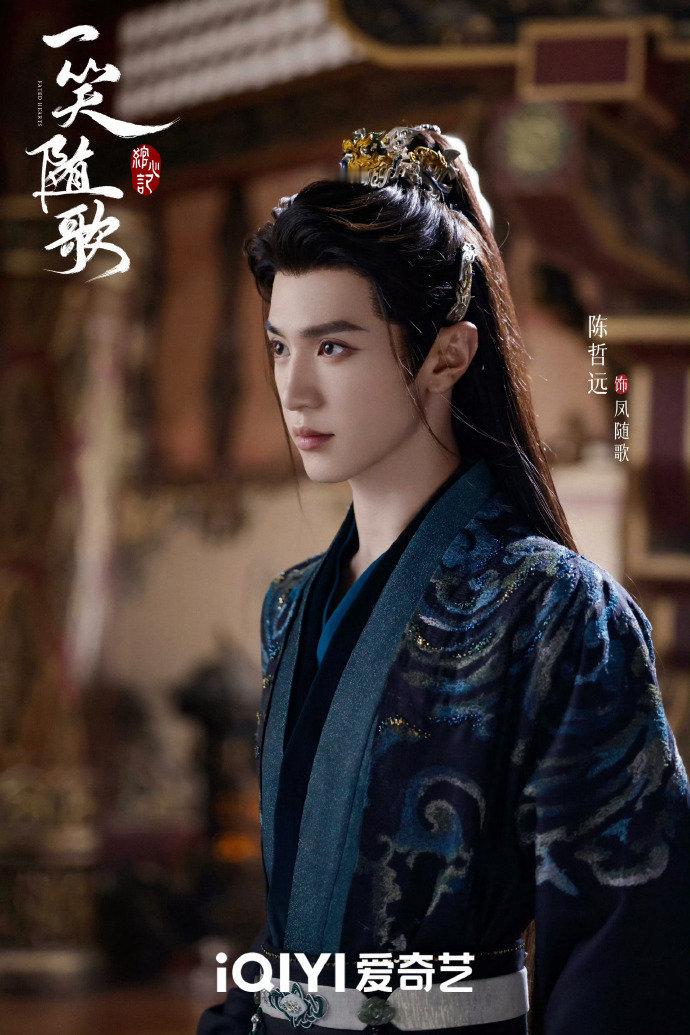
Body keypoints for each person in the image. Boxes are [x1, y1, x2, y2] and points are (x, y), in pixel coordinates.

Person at [197, 125, 690, 1035]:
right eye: (279, 347)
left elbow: (625, 947)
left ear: (448, 354)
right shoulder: (291, 603)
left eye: (334, 347)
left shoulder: (556, 609)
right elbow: (296, 914)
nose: (294, 391)